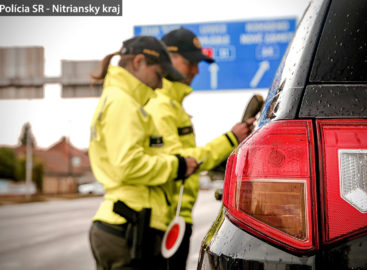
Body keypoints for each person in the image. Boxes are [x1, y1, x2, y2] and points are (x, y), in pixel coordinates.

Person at [145, 28, 256, 269]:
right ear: (168, 59)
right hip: (164, 221)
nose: (196, 70)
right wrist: (230, 138)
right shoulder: (160, 107)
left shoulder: (172, 105)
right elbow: (182, 161)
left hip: (175, 218)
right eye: (191, 62)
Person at [88, 35, 199, 270]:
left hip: (125, 225)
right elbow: (128, 165)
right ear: (138, 62)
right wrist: (177, 166)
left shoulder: (121, 101)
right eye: (158, 75)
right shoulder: (123, 104)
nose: (160, 85)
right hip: (127, 228)